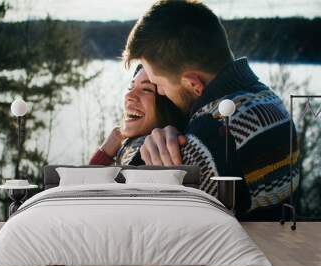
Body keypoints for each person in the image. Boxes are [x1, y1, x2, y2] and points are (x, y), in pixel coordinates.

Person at [122, 0, 299, 219]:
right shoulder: (268, 100)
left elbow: (129, 212)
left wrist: (132, 146)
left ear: (193, 84)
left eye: (159, 84)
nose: (160, 92)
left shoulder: (208, 141)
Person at [89, 65, 186, 166]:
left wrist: (105, 153)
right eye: (131, 87)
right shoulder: (126, 147)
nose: (129, 96)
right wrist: (106, 152)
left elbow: (88, 180)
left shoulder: (144, 154)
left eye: (146, 89)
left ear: (169, 104)